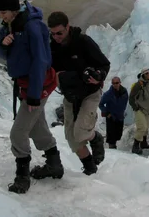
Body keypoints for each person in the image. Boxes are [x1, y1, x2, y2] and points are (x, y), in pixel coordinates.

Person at [0, 0, 64, 194]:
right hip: (26, 85)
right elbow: (1, 52)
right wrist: (4, 45)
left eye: (3, 12)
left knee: (18, 133)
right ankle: (54, 164)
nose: (0, 16)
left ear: (14, 9)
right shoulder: (8, 25)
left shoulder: (32, 27)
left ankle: (22, 176)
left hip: (38, 84)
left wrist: (34, 95)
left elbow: (40, 62)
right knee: (36, 127)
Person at [47, 11, 110, 175]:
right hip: (70, 96)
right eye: (52, 34)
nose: (56, 37)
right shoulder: (52, 48)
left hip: (89, 93)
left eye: (59, 33)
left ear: (68, 27)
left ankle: (95, 138)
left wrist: (99, 76)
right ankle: (90, 168)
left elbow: (104, 64)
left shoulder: (83, 42)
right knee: (71, 139)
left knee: (81, 133)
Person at [99, 77, 128, 149]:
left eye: (117, 83)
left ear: (120, 82)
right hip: (111, 116)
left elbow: (125, 102)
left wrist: (122, 111)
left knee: (118, 135)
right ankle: (112, 148)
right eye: (114, 83)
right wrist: (106, 112)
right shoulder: (108, 94)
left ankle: (113, 145)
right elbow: (101, 104)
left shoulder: (124, 92)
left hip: (120, 116)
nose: (115, 85)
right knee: (111, 134)